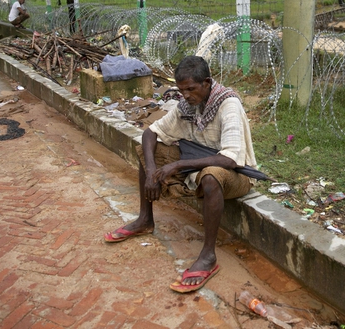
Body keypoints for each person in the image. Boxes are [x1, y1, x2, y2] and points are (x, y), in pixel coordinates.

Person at [104, 56, 258, 293]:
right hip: (198, 165)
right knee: (146, 151)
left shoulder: (228, 105)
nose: (185, 95)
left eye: (190, 89)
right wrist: (152, 171)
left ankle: (208, 256)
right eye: (181, 89)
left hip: (236, 176)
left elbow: (230, 159)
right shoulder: (187, 105)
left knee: (211, 176)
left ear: (207, 82)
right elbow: (150, 133)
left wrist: (176, 166)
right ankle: (145, 219)